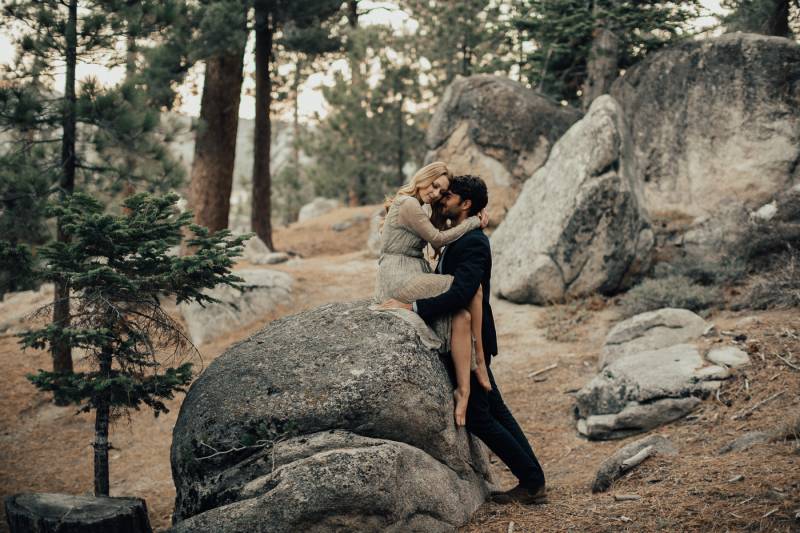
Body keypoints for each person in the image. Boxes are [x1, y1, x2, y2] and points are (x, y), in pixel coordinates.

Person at [380, 174, 547, 505]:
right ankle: (533, 479)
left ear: (466, 204)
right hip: (467, 334)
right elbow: (436, 231)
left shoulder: (473, 243)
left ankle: (531, 483)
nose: (443, 198)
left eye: (450, 194)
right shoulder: (461, 235)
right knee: (495, 408)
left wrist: (411, 305)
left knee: (478, 416)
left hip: (470, 338)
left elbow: (461, 293)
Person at [375, 161, 492, 427]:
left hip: (408, 272)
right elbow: (438, 239)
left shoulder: (421, 207)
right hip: (398, 277)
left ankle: (467, 382)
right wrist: (473, 221)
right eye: (434, 184)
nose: (436, 192)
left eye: (443, 190)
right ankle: (480, 362)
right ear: (423, 177)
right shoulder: (408, 205)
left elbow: (439, 231)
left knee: (461, 314)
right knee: (471, 289)